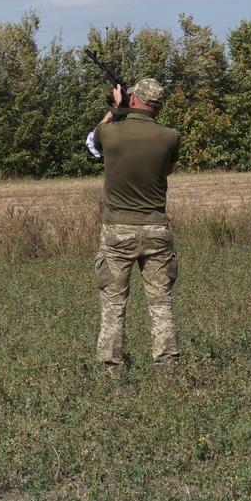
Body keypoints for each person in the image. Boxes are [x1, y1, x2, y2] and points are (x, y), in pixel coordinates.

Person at [88, 77, 182, 374]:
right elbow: (167, 170)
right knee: (161, 305)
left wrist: (117, 110)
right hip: (157, 229)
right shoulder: (170, 136)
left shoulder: (112, 132)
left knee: (114, 306)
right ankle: (168, 367)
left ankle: (111, 370)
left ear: (134, 100)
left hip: (117, 231)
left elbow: (92, 142)